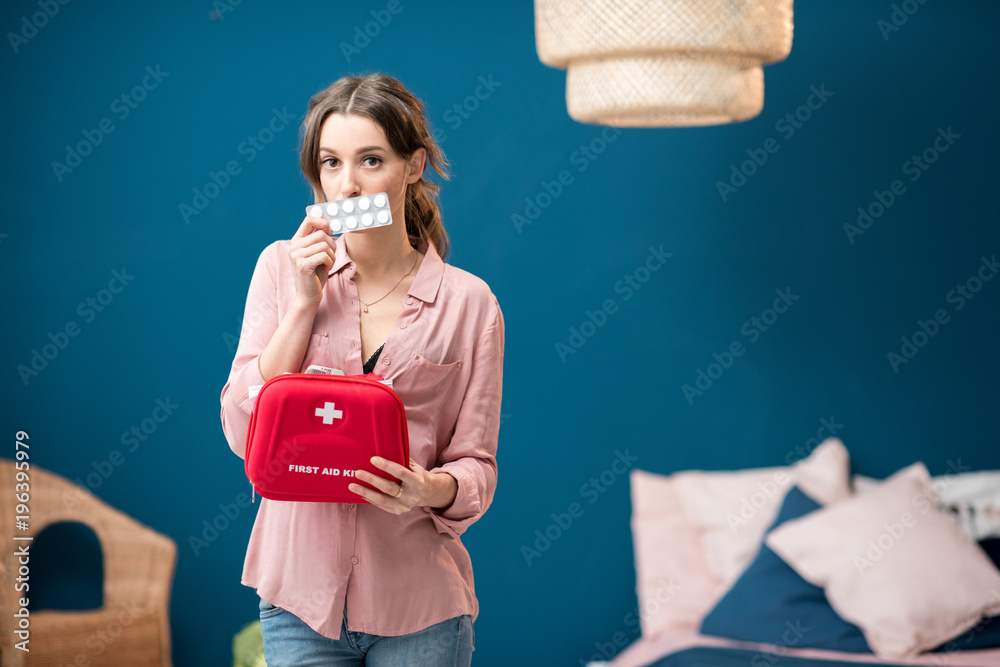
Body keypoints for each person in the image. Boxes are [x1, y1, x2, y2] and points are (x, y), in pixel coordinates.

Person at [220, 72, 504, 666]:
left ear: (413, 165)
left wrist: (429, 488)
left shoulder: (470, 303)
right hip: (300, 599)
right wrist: (303, 303)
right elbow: (244, 429)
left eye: (370, 161)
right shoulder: (279, 269)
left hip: (419, 603)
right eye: (330, 164)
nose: (346, 186)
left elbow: (476, 464)